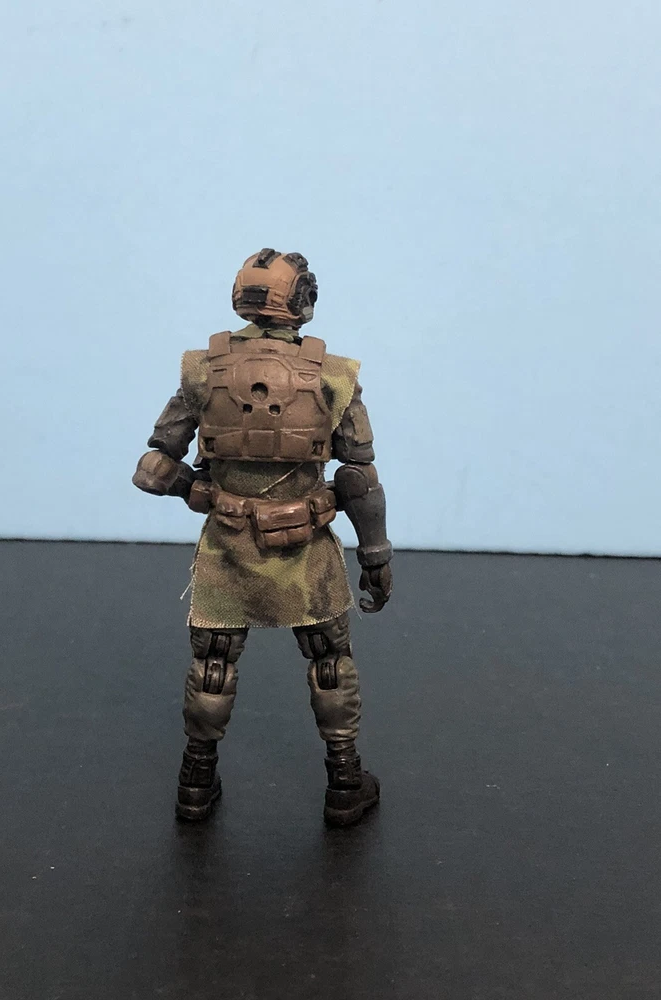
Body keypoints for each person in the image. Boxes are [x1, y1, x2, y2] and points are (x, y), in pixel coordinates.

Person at [132, 249, 393, 826]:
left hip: (227, 546)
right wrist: (376, 554)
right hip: (305, 551)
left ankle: (195, 784)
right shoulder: (334, 375)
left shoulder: (203, 370)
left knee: (212, 666)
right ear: (301, 300)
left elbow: (153, 467)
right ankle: (344, 783)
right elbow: (357, 477)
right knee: (329, 660)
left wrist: (202, 493)